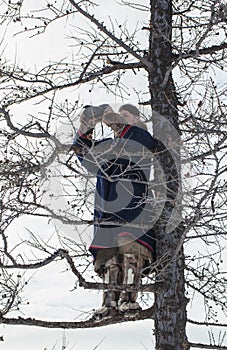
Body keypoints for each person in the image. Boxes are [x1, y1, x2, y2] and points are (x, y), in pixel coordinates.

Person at [72, 105, 156, 321]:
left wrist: (108, 115)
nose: (121, 119)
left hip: (133, 209)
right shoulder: (108, 146)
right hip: (107, 211)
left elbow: (130, 135)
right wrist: (86, 125)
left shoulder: (141, 136)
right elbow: (83, 152)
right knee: (109, 258)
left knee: (131, 252)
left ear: (136, 119)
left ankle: (128, 299)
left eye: (126, 115)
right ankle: (109, 303)